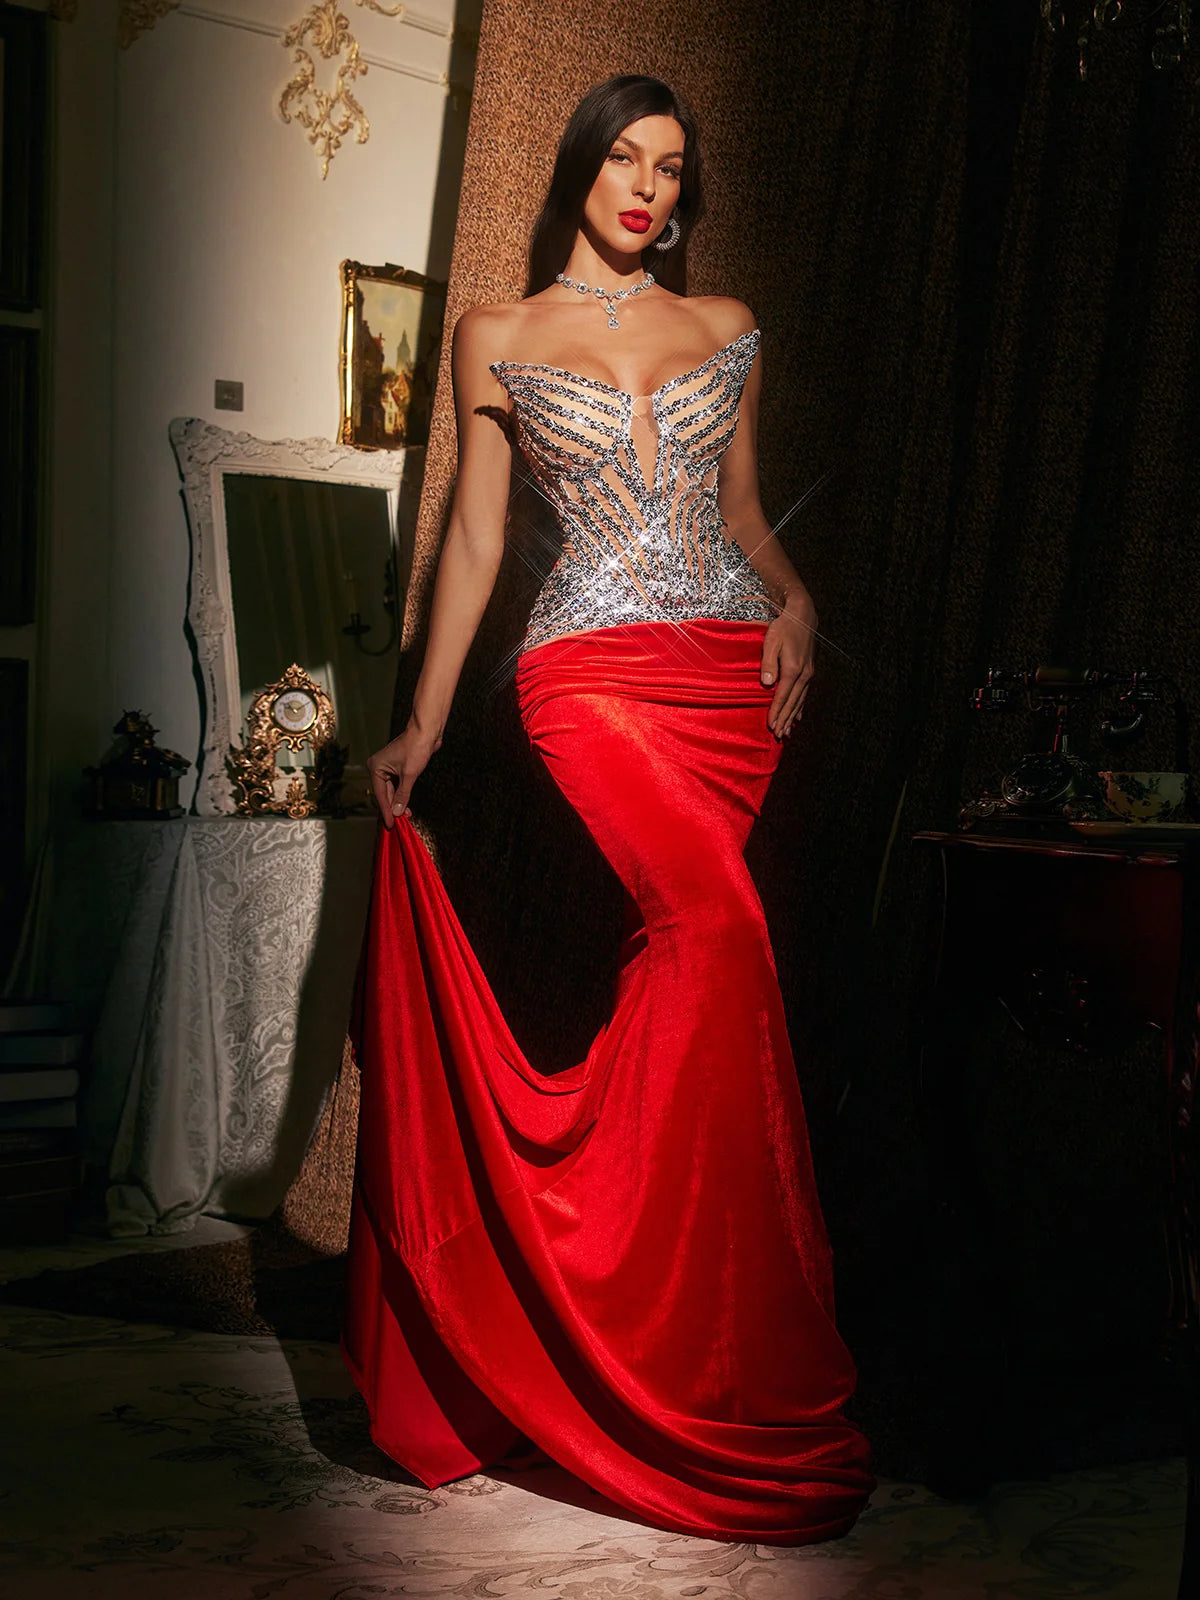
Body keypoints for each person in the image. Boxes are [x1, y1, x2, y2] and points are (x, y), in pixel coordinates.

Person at [342, 72, 874, 1545]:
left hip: (724, 681)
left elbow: (745, 513)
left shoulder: (728, 328)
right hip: (584, 677)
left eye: (671, 167)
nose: (647, 186)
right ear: (581, 167)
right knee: (716, 933)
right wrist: (426, 719)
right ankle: (633, 1317)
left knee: (698, 978)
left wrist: (796, 599)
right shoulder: (496, 333)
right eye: (626, 158)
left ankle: (663, 1322)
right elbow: (475, 538)